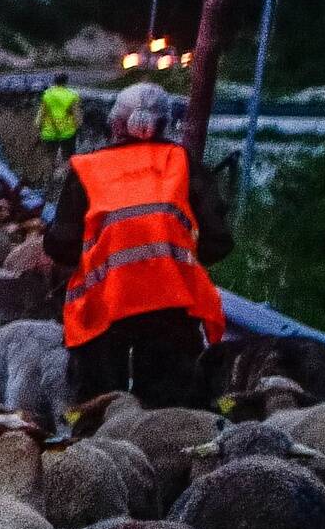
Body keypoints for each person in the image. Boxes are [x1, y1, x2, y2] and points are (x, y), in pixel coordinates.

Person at [52, 79, 232, 409]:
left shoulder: (87, 169)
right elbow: (219, 240)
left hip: (103, 310)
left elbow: (60, 244)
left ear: (116, 124)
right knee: (175, 410)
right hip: (172, 309)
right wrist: (176, 260)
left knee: (96, 409)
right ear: (165, 124)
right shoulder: (184, 163)